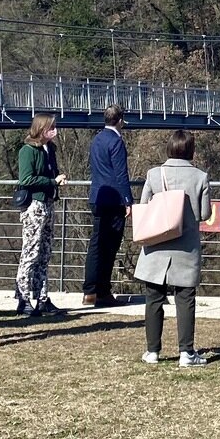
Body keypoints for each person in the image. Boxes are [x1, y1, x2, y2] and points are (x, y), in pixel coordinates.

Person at [136, 132, 211, 368]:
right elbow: (204, 214)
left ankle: (152, 351)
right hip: (185, 247)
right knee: (185, 298)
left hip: (156, 243)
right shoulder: (200, 177)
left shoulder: (153, 174)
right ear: (191, 150)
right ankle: (186, 353)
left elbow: (145, 205)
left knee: (153, 298)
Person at [13, 113, 66, 318]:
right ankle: (23, 297)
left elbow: (52, 172)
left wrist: (57, 181)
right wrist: (52, 182)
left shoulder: (49, 149)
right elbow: (26, 178)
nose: (54, 131)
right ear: (41, 129)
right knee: (30, 252)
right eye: (50, 127)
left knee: (44, 253)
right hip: (34, 205)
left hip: (48, 204)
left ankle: (42, 298)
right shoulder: (28, 150)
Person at [84, 105, 133, 307]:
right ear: (120, 120)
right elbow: (121, 174)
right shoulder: (116, 142)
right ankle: (103, 291)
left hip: (97, 196)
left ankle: (90, 290)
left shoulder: (96, 140)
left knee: (96, 245)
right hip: (113, 200)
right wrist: (128, 200)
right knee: (110, 246)